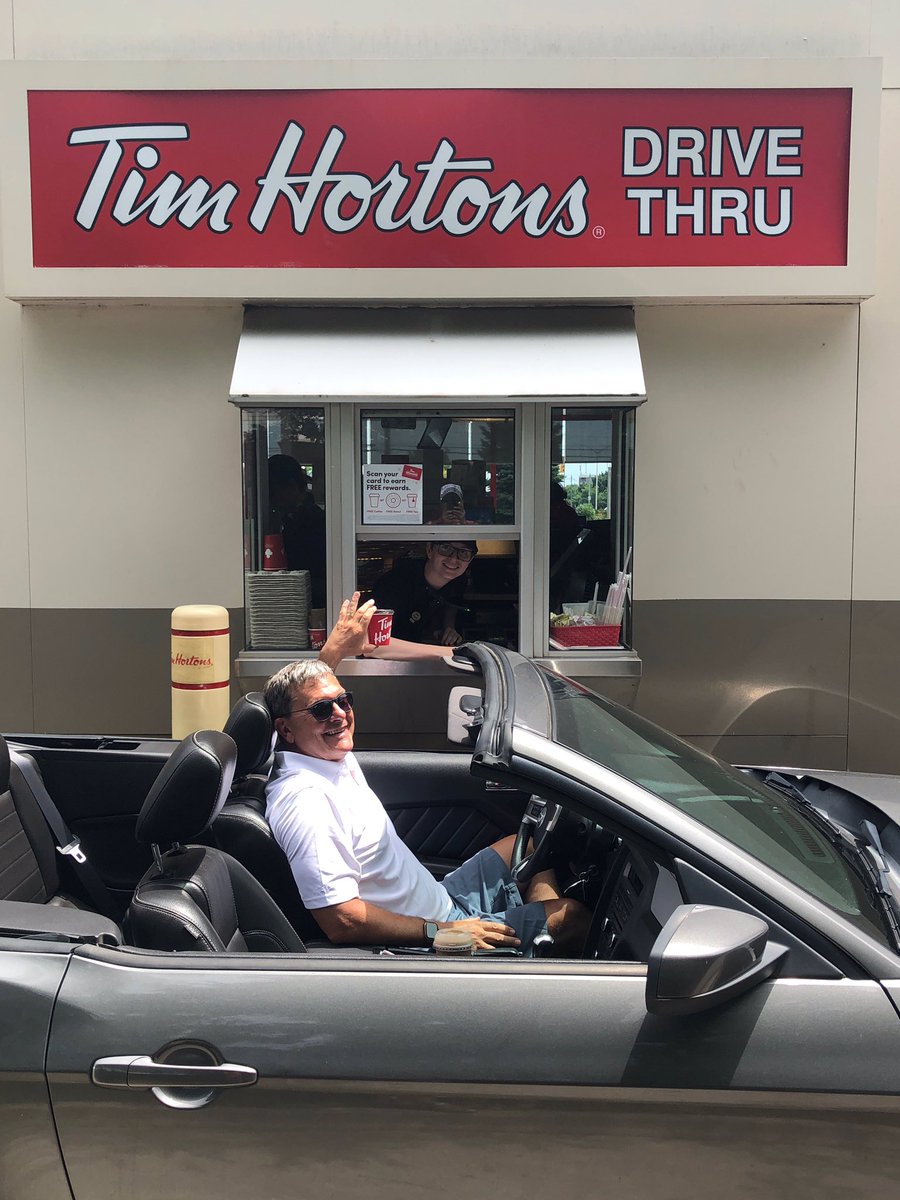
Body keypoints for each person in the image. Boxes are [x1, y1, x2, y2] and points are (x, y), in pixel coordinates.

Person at [263, 659, 590, 954]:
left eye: (343, 700)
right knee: (572, 917)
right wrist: (444, 931)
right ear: (285, 730)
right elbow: (340, 920)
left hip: (440, 898)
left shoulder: (323, 754)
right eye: (322, 709)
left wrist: (334, 652)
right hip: (428, 935)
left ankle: (535, 945)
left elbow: (307, 695)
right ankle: (537, 956)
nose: (339, 713)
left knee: (528, 847)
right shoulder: (306, 801)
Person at [372, 540, 476, 647]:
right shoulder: (394, 583)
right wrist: (449, 652)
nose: (454, 559)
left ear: (471, 559)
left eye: (464, 552)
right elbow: (377, 643)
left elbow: (452, 603)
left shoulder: (459, 581)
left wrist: (448, 629)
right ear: (429, 549)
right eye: (445, 548)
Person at [267, 454, 327, 607]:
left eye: (273, 491)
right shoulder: (281, 519)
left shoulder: (314, 522)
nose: (271, 498)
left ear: (292, 486)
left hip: (309, 596)